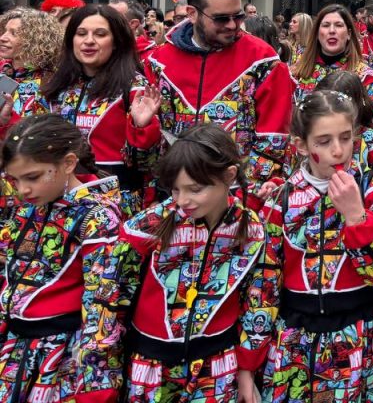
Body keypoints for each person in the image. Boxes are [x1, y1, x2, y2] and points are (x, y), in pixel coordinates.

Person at [240, 91, 373, 403]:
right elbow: (264, 286)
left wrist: (356, 217)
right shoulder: (282, 201)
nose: (338, 150)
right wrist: (248, 363)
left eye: (345, 138)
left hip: (364, 336)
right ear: (301, 145)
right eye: (323, 141)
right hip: (297, 341)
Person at [111, 125, 266, 403]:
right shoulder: (147, 226)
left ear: (229, 176)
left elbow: (258, 301)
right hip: (150, 366)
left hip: (217, 366)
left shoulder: (251, 229)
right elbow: (108, 297)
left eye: (195, 189)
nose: (183, 201)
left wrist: (247, 368)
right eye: (175, 189)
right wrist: (104, 371)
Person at [0, 113, 125, 403]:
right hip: (14, 345)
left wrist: (95, 378)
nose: (22, 189)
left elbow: (102, 300)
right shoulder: (32, 203)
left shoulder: (97, 217)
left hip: (61, 354)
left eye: (32, 177)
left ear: (68, 163)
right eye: (14, 180)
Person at [144, 0, 295, 187]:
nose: (233, 25)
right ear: (192, 13)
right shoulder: (158, 61)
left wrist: (246, 196)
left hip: (236, 198)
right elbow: (148, 146)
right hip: (174, 194)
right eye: (221, 18)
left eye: (238, 16)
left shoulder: (264, 61)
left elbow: (274, 141)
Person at [27, 5, 162, 214]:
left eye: (100, 34)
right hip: (58, 200)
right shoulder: (55, 86)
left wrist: (141, 127)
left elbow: (149, 165)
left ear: (116, 42)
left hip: (114, 203)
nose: (89, 41)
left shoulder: (134, 88)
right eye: (81, 34)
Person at [291, 4, 373, 120]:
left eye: (338, 25)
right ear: (316, 34)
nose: (331, 31)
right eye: (325, 25)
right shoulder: (295, 74)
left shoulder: (365, 77)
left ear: (349, 34)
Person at [0, 8, 64, 136]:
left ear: (35, 40)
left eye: (13, 33)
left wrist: (7, 122)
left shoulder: (51, 80)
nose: (2, 38)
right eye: (4, 31)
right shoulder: (3, 71)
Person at [317, 69, 373, 172]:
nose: (332, 115)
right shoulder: (308, 137)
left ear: (358, 105)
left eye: (341, 108)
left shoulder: (372, 141)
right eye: (324, 107)